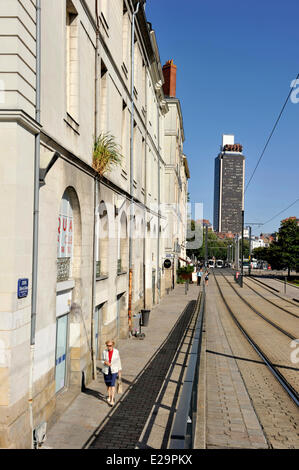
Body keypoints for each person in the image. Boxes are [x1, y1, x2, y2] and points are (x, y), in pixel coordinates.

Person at [102, 340, 122, 406]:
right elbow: (102, 360)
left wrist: (119, 372)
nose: (109, 347)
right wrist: (105, 362)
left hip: (114, 370)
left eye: (110, 345)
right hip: (106, 370)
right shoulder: (104, 352)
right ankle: (109, 396)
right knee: (108, 385)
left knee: (112, 384)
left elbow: (119, 361)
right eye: (107, 345)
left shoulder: (116, 352)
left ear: (112, 345)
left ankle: (112, 399)